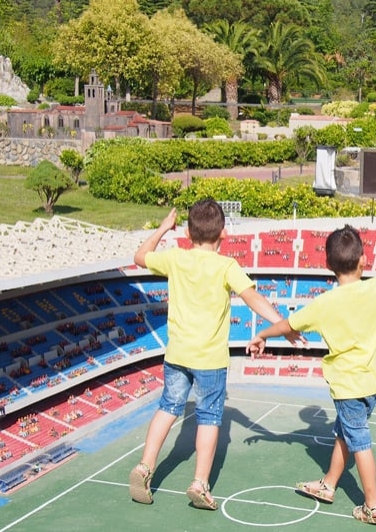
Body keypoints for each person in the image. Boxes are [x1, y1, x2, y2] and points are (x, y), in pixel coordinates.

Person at [246, 225, 376, 525]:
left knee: (360, 442)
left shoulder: (323, 304)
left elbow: (287, 326)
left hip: (348, 387)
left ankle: (373, 507)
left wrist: (262, 334)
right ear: (363, 260)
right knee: (345, 431)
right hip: (372, 383)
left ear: (328, 264)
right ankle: (329, 484)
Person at [129, 199, 301, 510]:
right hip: (210, 360)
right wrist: (282, 325)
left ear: (187, 233)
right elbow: (253, 298)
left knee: (168, 407)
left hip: (177, 354)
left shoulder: (175, 258)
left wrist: (163, 228)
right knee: (208, 418)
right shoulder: (226, 266)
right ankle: (199, 483)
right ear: (223, 233)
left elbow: (140, 256)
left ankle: (144, 467)